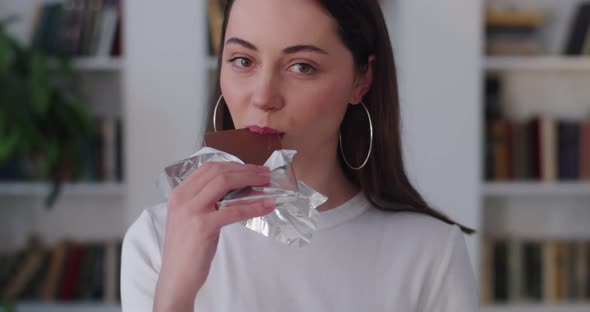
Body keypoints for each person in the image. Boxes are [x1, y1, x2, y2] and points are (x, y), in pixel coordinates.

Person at [121, 0, 479, 311]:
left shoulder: (433, 251)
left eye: (302, 66)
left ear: (361, 79)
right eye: (243, 60)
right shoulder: (157, 238)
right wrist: (175, 296)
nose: (263, 96)